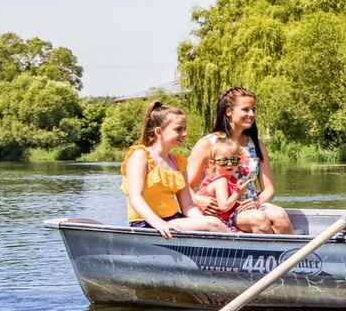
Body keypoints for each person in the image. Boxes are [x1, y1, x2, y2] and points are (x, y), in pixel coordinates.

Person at [186, 87, 293, 234]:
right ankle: (260, 255)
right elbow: (184, 186)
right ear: (229, 111)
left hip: (251, 204)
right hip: (225, 209)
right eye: (246, 109)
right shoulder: (208, 144)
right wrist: (199, 200)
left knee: (280, 216)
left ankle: (289, 256)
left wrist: (257, 202)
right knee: (259, 219)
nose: (251, 114)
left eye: (253, 109)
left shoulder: (257, 145)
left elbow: (269, 189)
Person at [120, 101, 233, 238]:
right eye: (178, 129)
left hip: (172, 220)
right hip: (147, 224)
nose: (184, 133)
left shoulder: (178, 162)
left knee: (213, 222)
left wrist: (203, 221)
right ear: (159, 132)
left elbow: (188, 206)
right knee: (212, 223)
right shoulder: (141, 156)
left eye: (185, 129)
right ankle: (240, 250)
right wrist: (159, 223)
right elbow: (135, 197)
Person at [192, 135, 248, 230]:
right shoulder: (220, 180)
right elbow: (224, 206)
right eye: (223, 161)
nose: (229, 164)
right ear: (212, 163)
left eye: (234, 160)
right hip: (209, 222)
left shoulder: (230, 179)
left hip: (219, 220)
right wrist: (238, 192)